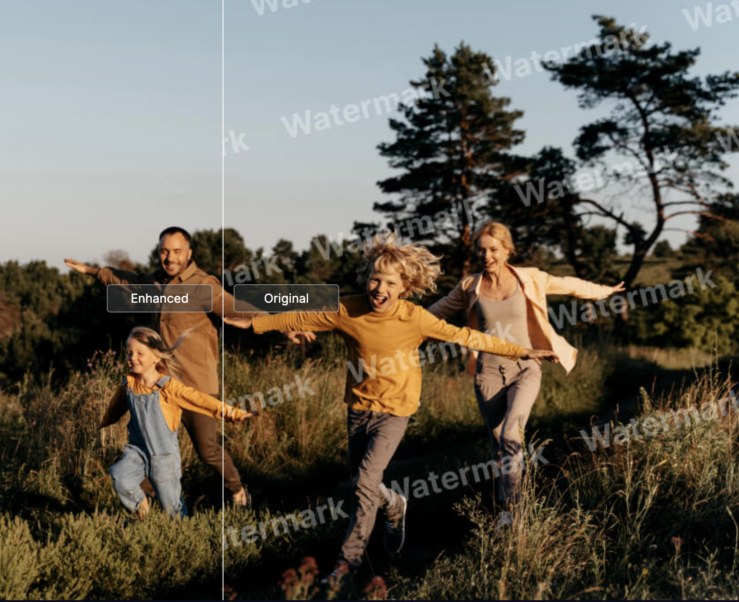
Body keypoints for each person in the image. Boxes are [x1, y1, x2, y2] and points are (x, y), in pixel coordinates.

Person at [225, 233, 557, 584]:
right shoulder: (346, 309)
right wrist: (255, 324)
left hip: (397, 411)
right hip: (358, 409)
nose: (379, 288)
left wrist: (520, 351)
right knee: (361, 483)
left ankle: (346, 563)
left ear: (404, 286)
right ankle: (395, 505)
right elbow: (300, 314)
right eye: (374, 279)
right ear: (366, 278)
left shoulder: (415, 317)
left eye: (389, 282)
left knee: (365, 481)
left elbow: (467, 337)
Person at [66, 226, 311, 507]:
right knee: (153, 448)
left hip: (197, 384)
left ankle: (237, 490)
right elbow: (127, 280)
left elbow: (239, 308)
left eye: (176, 251)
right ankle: (148, 499)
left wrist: (283, 327)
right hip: (162, 387)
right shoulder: (155, 282)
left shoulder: (202, 286)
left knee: (207, 450)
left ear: (189, 254)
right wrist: (92, 271)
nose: (169, 257)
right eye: (164, 251)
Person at [427, 221, 624, 529]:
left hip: (526, 368)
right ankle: (514, 485)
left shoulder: (529, 278)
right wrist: (400, 327)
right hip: (487, 373)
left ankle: (512, 512)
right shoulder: (470, 286)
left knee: (510, 435)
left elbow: (568, 284)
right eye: (482, 250)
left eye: (493, 249)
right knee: (499, 446)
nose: (487, 256)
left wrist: (605, 291)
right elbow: (434, 313)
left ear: (507, 250)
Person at [99, 326, 255, 518]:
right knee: (120, 475)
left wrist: (232, 412)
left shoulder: (169, 388)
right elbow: (116, 405)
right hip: (137, 452)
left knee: (172, 507)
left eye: (140, 353)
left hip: (163, 458)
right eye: (129, 353)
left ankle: (182, 534)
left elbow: (201, 400)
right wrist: (104, 422)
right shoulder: (129, 383)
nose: (132, 358)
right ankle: (142, 510)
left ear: (156, 357)